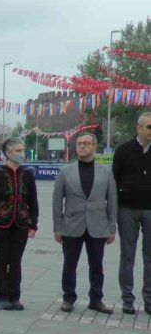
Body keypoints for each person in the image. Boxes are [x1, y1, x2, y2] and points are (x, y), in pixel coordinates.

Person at [52, 131, 117, 314]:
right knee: (69, 264)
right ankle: (68, 298)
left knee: (97, 265)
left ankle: (96, 299)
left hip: (98, 226)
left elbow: (112, 201)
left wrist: (112, 228)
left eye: (86, 143)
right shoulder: (66, 171)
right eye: (79, 143)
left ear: (94, 147)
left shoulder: (106, 172)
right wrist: (57, 227)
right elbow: (57, 201)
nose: (82, 146)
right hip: (71, 226)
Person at [0, 138, 39, 310]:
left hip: (21, 223)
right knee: (2, 260)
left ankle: (15, 296)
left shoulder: (27, 174)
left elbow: (33, 201)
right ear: (8, 153)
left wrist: (33, 224)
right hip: (1, 224)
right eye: (18, 150)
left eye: (22, 150)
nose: (21, 154)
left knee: (16, 261)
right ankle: (2, 296)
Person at [113, 111, 151, 315]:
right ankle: (127, 298)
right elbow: (114, 179)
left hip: (150, 210)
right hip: (127, 209)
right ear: (139, 128)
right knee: (127, 255)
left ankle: (149, 299)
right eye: (149, 127)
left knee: (150, 257)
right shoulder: (123, 151)